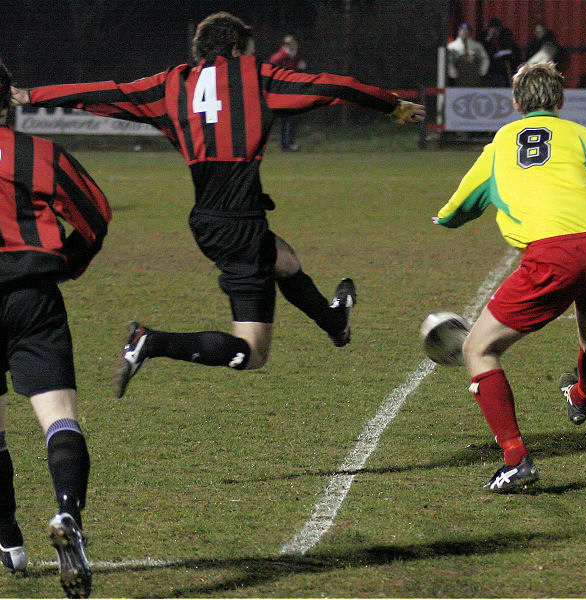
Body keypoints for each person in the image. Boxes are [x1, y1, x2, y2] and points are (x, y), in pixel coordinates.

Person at [12, 12, 424, 399]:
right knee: (251, 353)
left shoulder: (173, 83)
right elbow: (335, 86)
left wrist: (30, 94)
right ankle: (151, 341)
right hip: (237, 226)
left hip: (211, 220)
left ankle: (334, 322)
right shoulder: (257, 77)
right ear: (238, 49)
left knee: (284, 260)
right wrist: (392, 104)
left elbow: (104, 92)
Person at [432, 61, 586, 493]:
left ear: (516, 102)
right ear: (560, 101)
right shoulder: (580, 135)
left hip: (552, 256)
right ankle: (582, 396)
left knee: (478, 348)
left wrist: (445, 217)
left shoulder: (501, 141)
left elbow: (465, 203)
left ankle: (516, 459)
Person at [0, 60, 111, 597]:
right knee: (60, 417)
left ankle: (7, 538)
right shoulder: (38, 153)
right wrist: (68, 262)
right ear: (7, 103)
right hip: (32, 295)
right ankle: (68, 516)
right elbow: (95, 212)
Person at [270, 34, 307, 151]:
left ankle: (289, 143)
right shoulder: (278, 58)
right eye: (290, 44)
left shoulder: (296, 56)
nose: (293, 46)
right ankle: (286, 144)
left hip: (294, 91)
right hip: (283, 93)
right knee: (286, 119)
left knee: (293, 118)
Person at [479, 18, 521, 87]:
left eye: (496, 29)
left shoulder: (505, 36)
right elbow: (482, 50)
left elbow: (511, 50)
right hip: (488, 66)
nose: (495, 31)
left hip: (502, 66)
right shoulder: (483, 37)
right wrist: (488, 38)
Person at [446, 23, 490, 88]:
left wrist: (482, 71)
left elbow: (484, 58)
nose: (465, 32)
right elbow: (449, 61)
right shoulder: (452, 46)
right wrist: (452, 72)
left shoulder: (477, 46)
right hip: (459, 77)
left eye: (467, 30)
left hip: (474, 76)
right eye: (462, 30)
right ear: (458, 32)